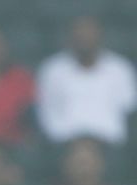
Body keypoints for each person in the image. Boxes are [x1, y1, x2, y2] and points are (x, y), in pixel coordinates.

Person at [36, 15, 137, 147]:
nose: (85, 38)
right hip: (64, 143)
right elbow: (46, 112)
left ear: (100, 36)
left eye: (89, 33)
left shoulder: (120, 69)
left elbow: (129, 110)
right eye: (80, 34)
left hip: (111, 144)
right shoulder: (52, 69)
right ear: (70, 36)